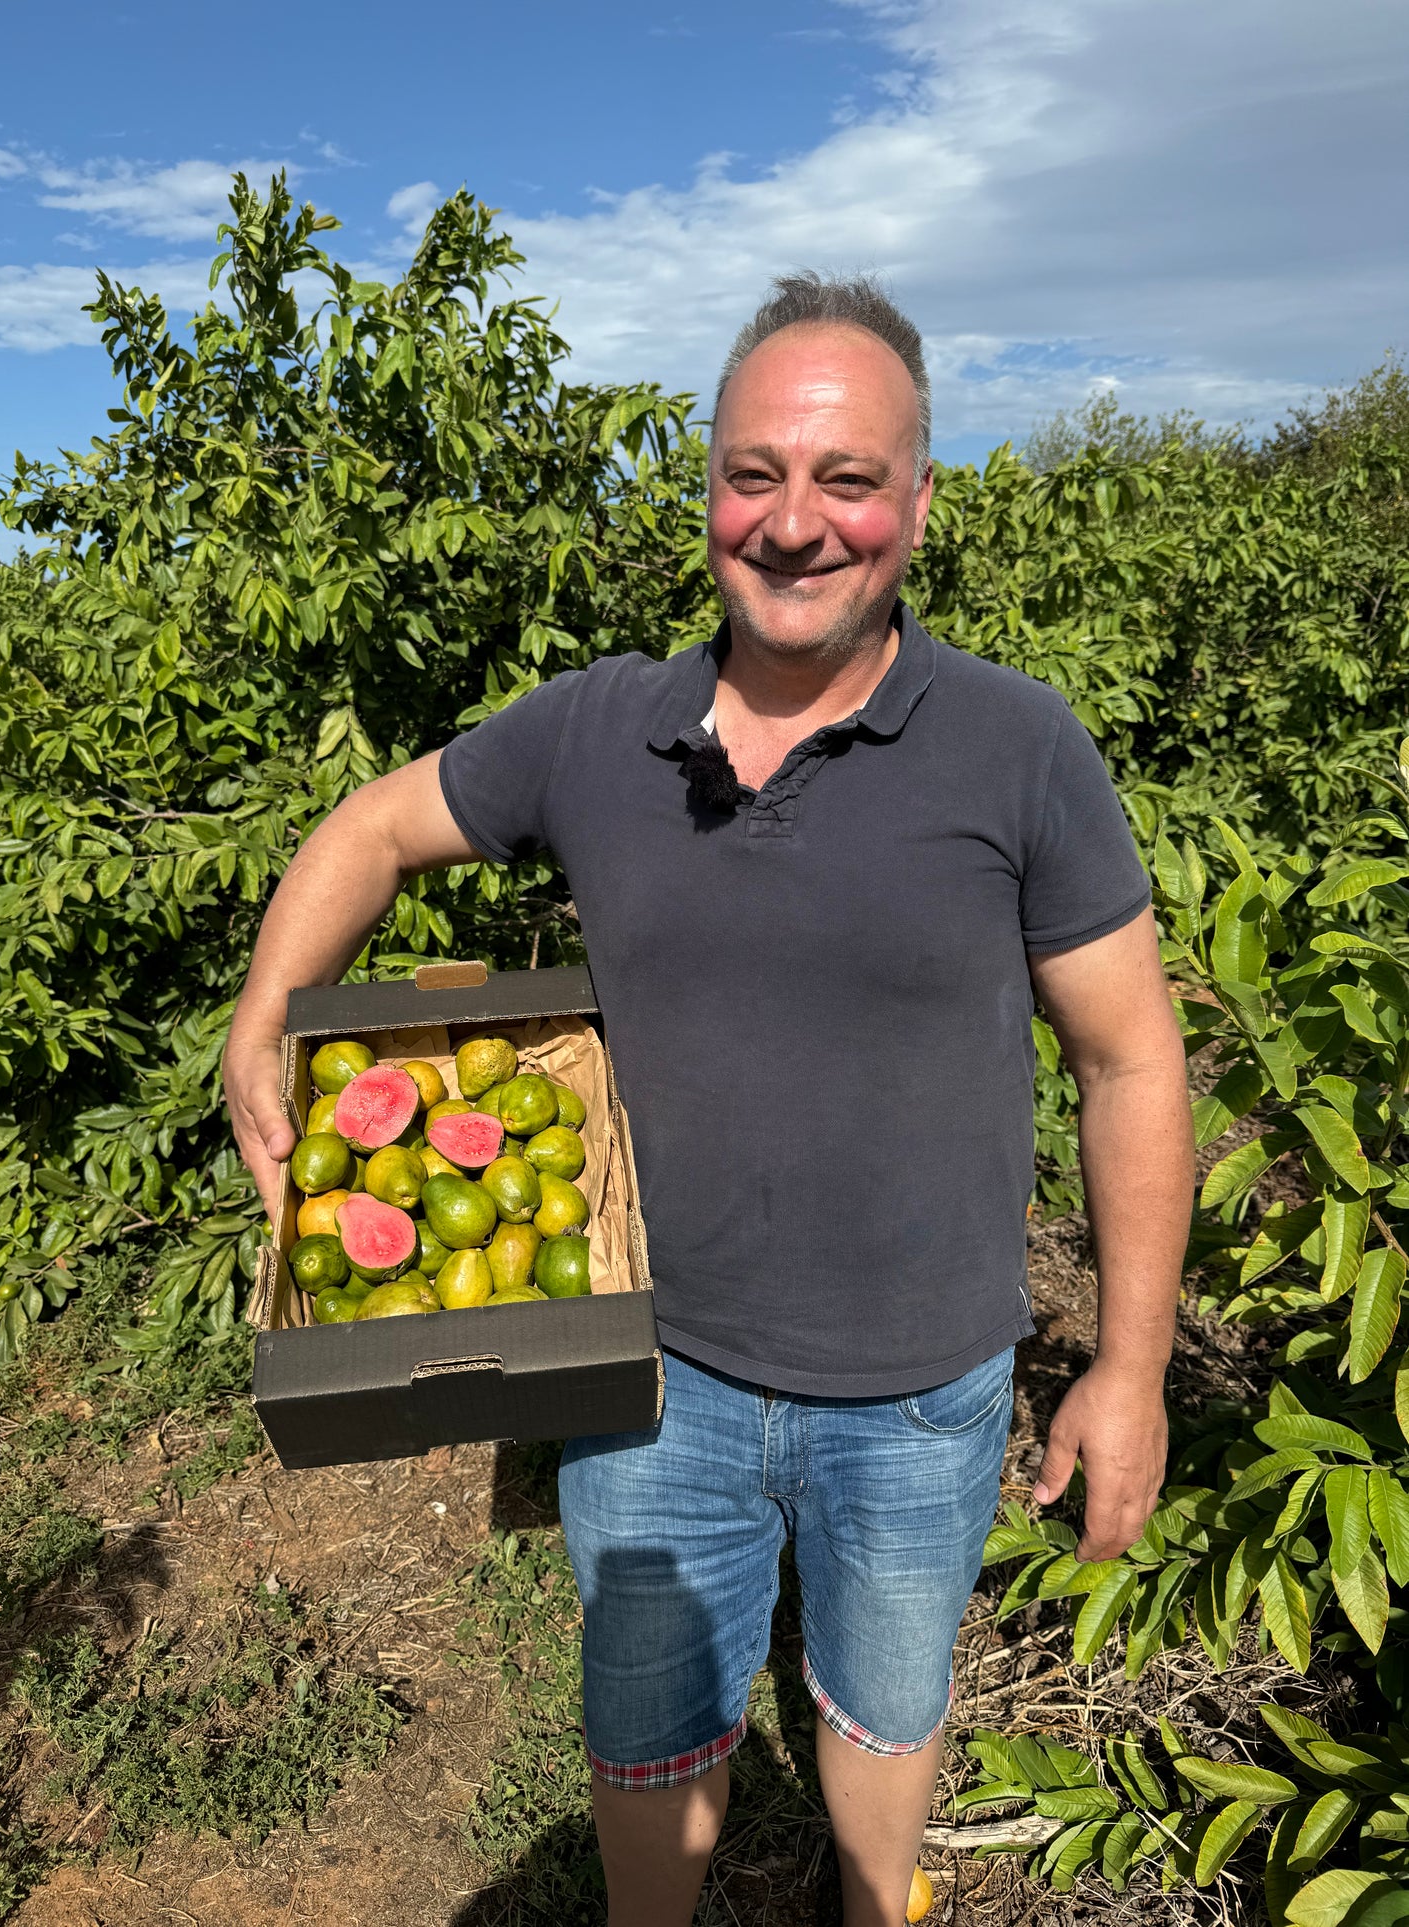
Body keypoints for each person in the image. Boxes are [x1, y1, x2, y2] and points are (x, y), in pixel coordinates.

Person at [224, 272, 1195, 1927]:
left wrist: (1128, 1363)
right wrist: (264, 1015)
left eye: (845, 479)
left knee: (884, 1713)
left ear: (917, 501)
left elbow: (1129, 1059)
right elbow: (371, 830)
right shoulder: (598, 729)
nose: (796, 523)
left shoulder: (1018, 746)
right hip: (644, 1379)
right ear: (706, 493)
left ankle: (869, 1898)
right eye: (756, 474)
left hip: (921, 1393)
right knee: (652, 1741)